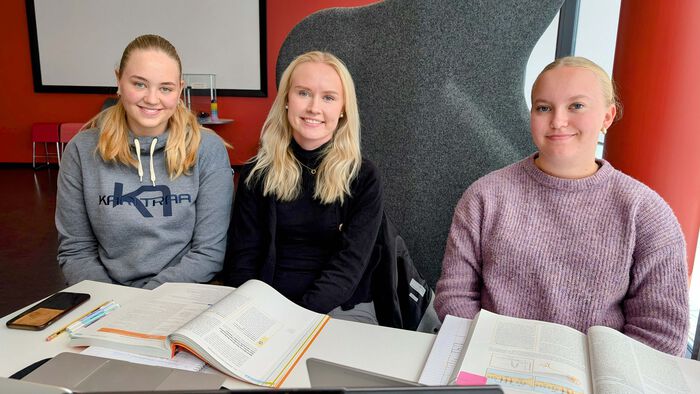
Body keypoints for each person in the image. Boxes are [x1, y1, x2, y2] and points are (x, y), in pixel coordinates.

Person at [434, 56, 689, 356]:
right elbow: (454, 297)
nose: (558, 121)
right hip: (493, 366)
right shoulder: (484, 197)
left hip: (598, 380)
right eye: (544, 108)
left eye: (576, 106)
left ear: (607, 116)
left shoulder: (645, 213)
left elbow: (662, 330)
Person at [56, 34, 233, 289]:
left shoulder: (207, 149)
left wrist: (145, 300)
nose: (152, 99)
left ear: (179, 90)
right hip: (107, 298)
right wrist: (115, 302)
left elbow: (209, 254)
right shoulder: (81, 151)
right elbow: (76, 252)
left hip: (183, 292)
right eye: (139, 84)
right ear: (119, 81)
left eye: (165, 88)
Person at [225, 51, 383, 324]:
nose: (314, 108)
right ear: (287, 99)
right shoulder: (257, 173)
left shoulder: (363, 177)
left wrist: (296, 319)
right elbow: (243, 258)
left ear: (343, 108)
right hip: (265, 303)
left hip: (340, 306)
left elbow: (348, 268)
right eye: (303, 93)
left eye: (328, 97)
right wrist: (247, 314)